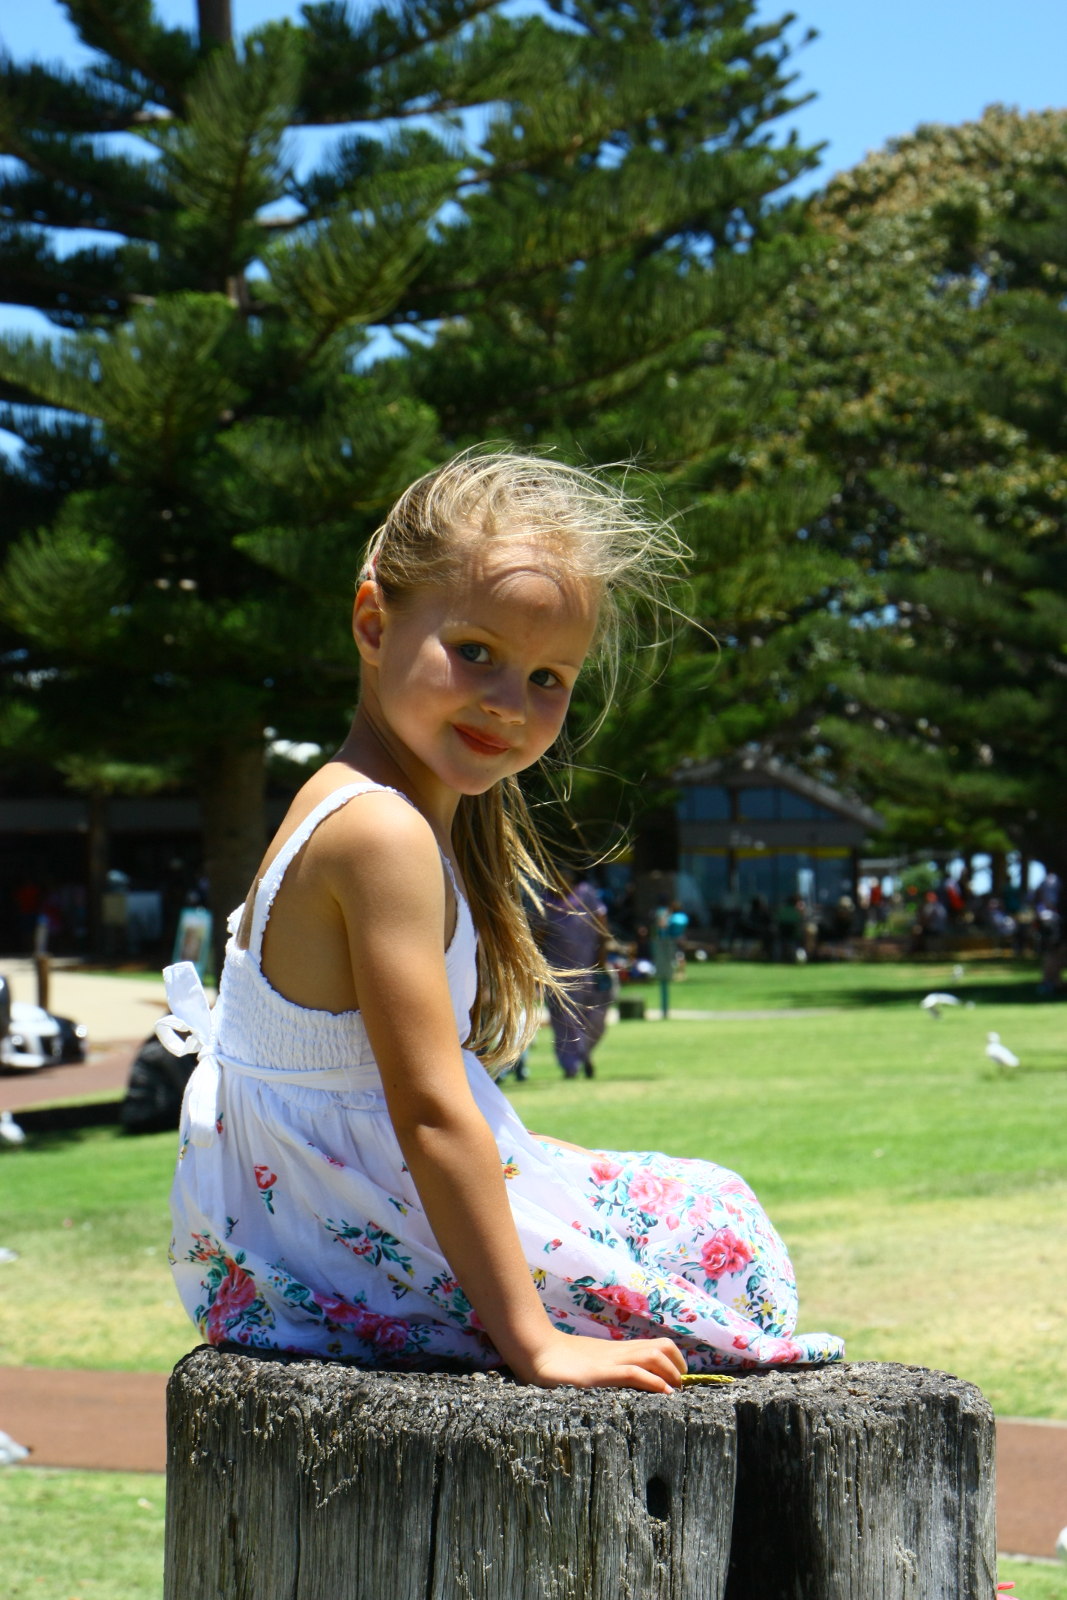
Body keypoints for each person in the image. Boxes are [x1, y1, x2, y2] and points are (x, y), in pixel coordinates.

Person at [159, 449, 842, 1390]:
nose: (508, 703)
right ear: (373, 623)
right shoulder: (380, 832)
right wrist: (535, 1343)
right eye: (475, 652)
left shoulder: (362, 801)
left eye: (549, 677)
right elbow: (429, 1115)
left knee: (699, 1204)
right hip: (334, 1253)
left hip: (290, 1236)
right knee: (720, 1241)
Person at [538, 870, 611, 1078]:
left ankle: (584, 1053)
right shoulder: (544, 902)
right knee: (564, 1021)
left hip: (589, 968)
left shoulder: (586, 895)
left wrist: (602, 959)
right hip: (559, 974)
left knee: (596, 1017)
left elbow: (602, 924)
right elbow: (538, 936)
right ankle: (570, 1065)